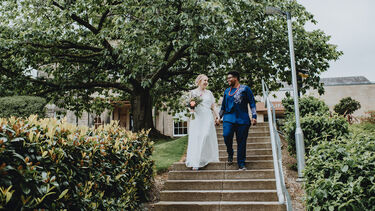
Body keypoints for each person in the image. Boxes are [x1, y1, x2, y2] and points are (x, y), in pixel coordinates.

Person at [216, 71, 257, 170]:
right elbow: (223, 107)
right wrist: (218, 117)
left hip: (242, 119)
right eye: (227, 78)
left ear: (236, 78)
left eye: (229, 78)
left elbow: (252, 102)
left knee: (241, 142)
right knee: (226, 135)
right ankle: (230, 152)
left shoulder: (245, 89)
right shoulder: (226, 91)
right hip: (228, 118)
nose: (228, 80)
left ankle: (241, 164)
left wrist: (254, 116)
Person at [185, 74, 220, 170]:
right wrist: (191, 112)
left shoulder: (209, 93)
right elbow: (190, 105)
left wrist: (218, 115)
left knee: (206, 135)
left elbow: (213, 106)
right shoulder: (193, 92)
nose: (206, 82)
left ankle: (206, 158)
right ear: (199, 81)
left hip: (207, 116)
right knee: (197, 137)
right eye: (204, 80)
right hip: (197, 117)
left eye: (207, 80)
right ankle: (196, 161)